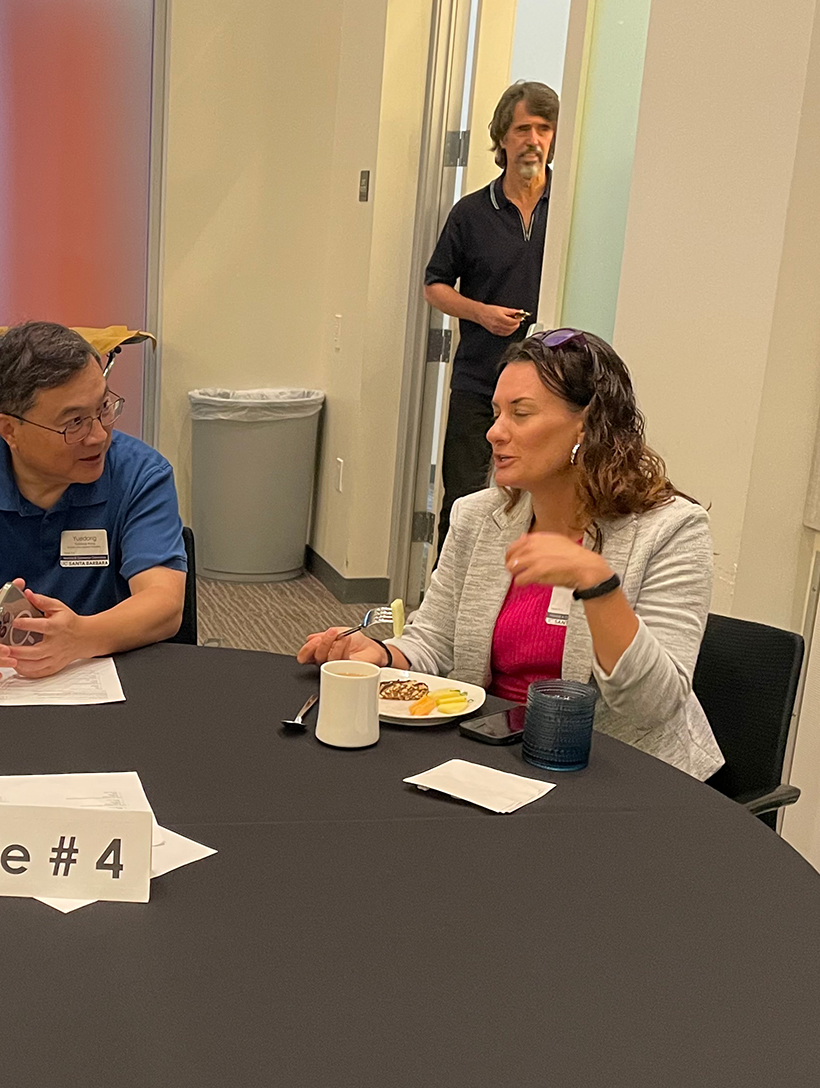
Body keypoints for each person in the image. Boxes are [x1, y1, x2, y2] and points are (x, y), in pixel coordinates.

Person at [297, 329, 724, 780]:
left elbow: (652, 708)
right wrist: (383, 655)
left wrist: (598, 585)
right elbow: (435, 642)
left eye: (520, 414)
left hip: (623, 775)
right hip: (497, 754)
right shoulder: (478, 516)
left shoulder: (672, 529)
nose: (493, 432)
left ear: (587, 426)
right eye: (497, 412)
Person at [0, 321, 187, 680]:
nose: (98, 436)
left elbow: (164, 603)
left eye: (104, 408)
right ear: (10, 430)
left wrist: (80, 638)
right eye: (74, 422)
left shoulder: (141, 474)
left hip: (103, 672)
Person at [424, 80, 559, 552]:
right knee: (464, 502)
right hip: (480, 386)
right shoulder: (471, 213)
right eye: (524, 128)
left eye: (545, 128)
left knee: (541, 508)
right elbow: (434, 286)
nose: (535, 139)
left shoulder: (569, 209)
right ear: (503, 136)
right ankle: (440, 614)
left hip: (551, 395)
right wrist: (480, 313)